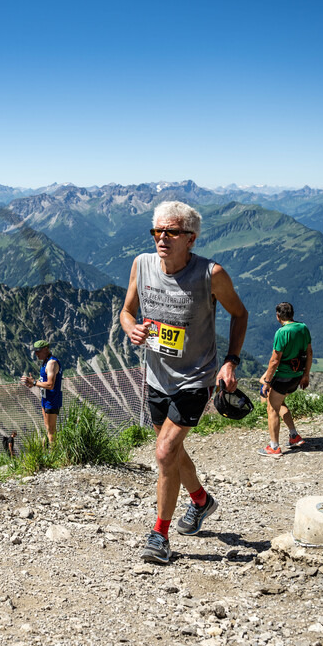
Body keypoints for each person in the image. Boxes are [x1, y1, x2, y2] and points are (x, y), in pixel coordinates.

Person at [120, 201, 248, 565]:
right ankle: (201, 501)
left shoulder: (211, 274)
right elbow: (126, 312)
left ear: (190, 238)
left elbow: (240, 314)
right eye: (157, 231)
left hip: (196, 377)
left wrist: (230, 361)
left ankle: (159, 535)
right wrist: (133, 329)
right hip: (156, 376)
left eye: (171, 232)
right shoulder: (141, 265)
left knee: (163, 452)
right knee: (170, 450)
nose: (162, 238)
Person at [258, 302, 314, 456]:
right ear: (292, 314)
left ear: (278, 316)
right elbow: (309, 353)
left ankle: (274, 447)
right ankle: (294, 436)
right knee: (279, 402)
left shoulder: (281, 333)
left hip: (283, 377)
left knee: (272, 407)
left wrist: (267, 382)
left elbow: (275, 361)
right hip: (297, 376)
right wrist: (306, 375)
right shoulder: (303, 328)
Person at [21, 340, 62, 447]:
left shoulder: (52, 363)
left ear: (46, 349)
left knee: (51, 429)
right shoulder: (45, 362)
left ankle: (53, 452)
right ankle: (50, 451)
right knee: (47, 427)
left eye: (38, 351)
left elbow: (50, 385)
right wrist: (33, 384)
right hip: (45, 399)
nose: (36, 354)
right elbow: (43, 382)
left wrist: (34, 382)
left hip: (52, 400)